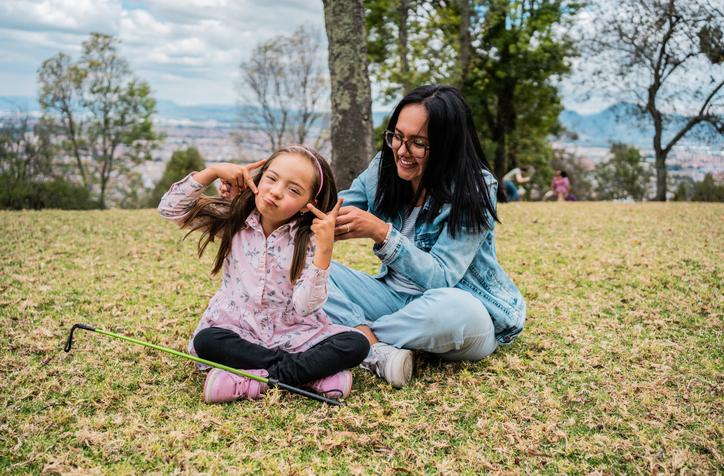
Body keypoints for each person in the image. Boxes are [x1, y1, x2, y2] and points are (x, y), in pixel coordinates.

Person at [322, 85, 526, 388]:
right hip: (393, 301)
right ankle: (370, 346)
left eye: (418, 143)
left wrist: (382, 233)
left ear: (447, 145)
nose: (402, 151)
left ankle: (350, 338)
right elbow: (328, 212)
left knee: (455, 308)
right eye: (397, 137)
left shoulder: (475, 188)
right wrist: (259, 194)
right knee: (302, 271)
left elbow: (442, 278)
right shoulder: (383, 167)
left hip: (457, 311)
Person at [158, 146, 370, 403]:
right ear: (258, 179)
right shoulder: (234, 217)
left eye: (293, 190)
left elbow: (305, 308)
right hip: (238, 330)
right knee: (207, 341)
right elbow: (170, 209)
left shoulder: (310, 240)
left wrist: (325, 249)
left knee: (357, 344)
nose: (277, 191)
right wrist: (212, 172)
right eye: (271, 178)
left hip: (295, 333)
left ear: (309, 205)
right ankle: (308, 375)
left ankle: (253, 380)